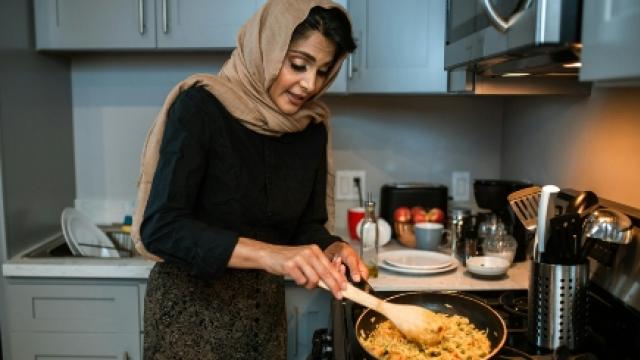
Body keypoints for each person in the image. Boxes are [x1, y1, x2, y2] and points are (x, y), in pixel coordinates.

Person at [130, 0, 368, 358]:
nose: (309, 85)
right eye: (298, 65)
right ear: (266, 49)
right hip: (189, 322)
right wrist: (269, 255)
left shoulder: (310, 130)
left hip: (263, 319)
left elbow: (307, 227)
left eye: (323, 72)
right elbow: (161, 228)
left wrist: (333, 248)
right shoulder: (200, 107)